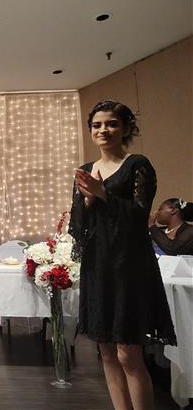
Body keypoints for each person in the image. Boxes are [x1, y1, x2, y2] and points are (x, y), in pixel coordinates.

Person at [69, 99, 176, 410]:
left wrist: (103, 194)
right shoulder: (87, 170)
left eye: (112, 123)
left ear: (126, 128)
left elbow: (141, 215)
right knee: (105, 351)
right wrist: (88, 203)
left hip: (129, 266)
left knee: (129, 354)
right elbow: (78, 225)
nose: (104, 130)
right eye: (97, 125)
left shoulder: (137, 164)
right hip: (98, 264)